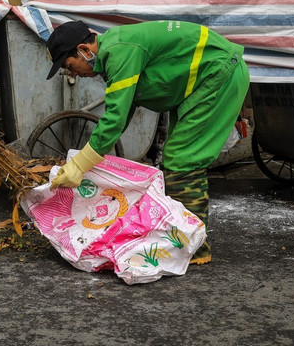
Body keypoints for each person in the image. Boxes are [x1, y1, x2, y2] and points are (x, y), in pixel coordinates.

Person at [44, 19, 249, 265]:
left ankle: (194, 247)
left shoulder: (120, 50)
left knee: (182, 159)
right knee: (176, 157)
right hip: (203, 83)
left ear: (84, 50)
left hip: (218, 74)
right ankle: (183, 237)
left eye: (69, 65)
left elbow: (115, 119)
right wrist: (85, 160)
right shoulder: (115, 53)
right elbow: (121, 112)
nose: (73, 73)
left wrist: (79, 165)